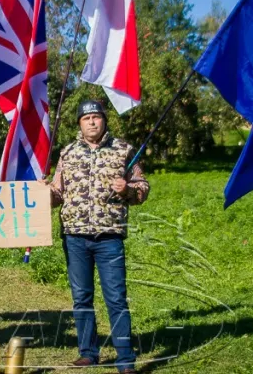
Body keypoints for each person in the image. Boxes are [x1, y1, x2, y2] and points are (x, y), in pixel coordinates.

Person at [45, 100, 150, 374]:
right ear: (79, 123)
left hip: (108, 236)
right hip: (75, 236)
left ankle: (125, 358)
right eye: (86, 118)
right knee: (81, 297)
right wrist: (45, 194)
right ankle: (88, 353)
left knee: (116, 297)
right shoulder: (67, 153)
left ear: (104, 120)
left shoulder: (124, 150)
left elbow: (143, 188)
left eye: (96, 117)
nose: (92, 122)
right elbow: (58, 192)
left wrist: (127, 188)